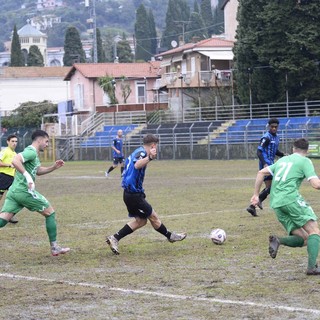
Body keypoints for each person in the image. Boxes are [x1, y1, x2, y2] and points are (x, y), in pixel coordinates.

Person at [106, 134, 187, 255]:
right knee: (153, 216)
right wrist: (150, 157)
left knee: (141, 221)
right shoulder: (143, 153)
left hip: (129, 193)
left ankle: (115, 238)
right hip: (134, 195)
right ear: (153, 146)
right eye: (156, 147)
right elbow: (137, 165)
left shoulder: (137, 151)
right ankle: (170, 236)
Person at [250, 138, 320, 275]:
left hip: (276, 203)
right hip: (290, 199)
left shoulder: (282, 160)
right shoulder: (305, 161)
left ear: (293, 149)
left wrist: (256, 195)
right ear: (307, 151)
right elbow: (316, 184)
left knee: (304, 238)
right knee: (314, 232)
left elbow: (261, 173)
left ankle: (278, 240)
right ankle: (312, 267)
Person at [0, 130, 70, 256]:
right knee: (50, 213)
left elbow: (37, 170)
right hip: (23, 191)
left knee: (3, 220)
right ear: (39, 140)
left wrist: (53, 167)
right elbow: (15, 161)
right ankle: (54, 247)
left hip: (14, 191)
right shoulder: (31, 151)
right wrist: (27, 177)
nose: (47, 144)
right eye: (46, 141)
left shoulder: (35, 154)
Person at [247, 118, 285, 216]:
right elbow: (259, 151)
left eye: (275, 127)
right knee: (273, 186)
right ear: (269, 126)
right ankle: (256, 202)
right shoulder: (266, 137)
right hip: (266, 164)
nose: (274, 128)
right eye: (272, 127)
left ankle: (253, 205)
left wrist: (284, 156)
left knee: (270, 187)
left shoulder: (276, 137)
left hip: (272, 164)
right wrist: (264, 163)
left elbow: (275, 151)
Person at [0, 134, 18, 223]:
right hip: (3, 176)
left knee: (16, 197)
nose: (14, 143)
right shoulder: (5, 151)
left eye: (16, 141)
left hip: (12, 178)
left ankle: (9, 216)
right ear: (8, 142)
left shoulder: (15, 154)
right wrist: (8, 165)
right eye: (12, 141)